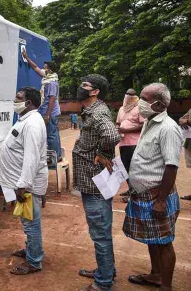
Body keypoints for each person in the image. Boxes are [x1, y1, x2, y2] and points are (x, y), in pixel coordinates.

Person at [123, 83, 183, 290]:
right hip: (144, 194)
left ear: (158, 104)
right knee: (153, 239)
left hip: (157, 196)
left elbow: (172, 166)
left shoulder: (168, 128)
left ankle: (166, 285)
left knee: (164, 241)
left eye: (144, 99)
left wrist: (161, 201)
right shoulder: (150, 122)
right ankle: (156, 274)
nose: (139, 103)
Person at [73, 74, 120, 291]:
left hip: (95, 184)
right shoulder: (92, 110)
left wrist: (103, 154)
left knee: (100, 232)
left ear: (95, 91)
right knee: (101, 230)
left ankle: (103, 283)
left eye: (85, 85)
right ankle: (106, 271)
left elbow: (111, 135)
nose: (80, 87)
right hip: (91, 181)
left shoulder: (99, 112)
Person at [0, 87, 48, 275]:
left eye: (18, 98)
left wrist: (23, 185)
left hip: (27, 184)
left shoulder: (32, 123)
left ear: (29, 103)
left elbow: (31, 158)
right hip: (22, 182)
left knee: (30, 222)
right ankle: (31, 250)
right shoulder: (27, 120)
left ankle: (34, 261)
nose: (14, 100)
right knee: (27, 220)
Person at [22, 49, 62, 160]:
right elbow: (35, 68)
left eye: (45, 67)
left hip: (50, 112)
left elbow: (52, 99)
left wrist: (47, 115)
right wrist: (26, 57)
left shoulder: (52, 82)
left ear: (49, 69)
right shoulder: (47, 77)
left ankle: (54, 157)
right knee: (54, 133)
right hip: (47, 111)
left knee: (51, 135)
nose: (43, 68)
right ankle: (57, 154)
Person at [115, 88, 145, 203]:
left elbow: (143, 125)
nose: (128, 97)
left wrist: (127, 130)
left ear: (135, 97)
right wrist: (118, 128)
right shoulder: (122, 109)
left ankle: (136, 194)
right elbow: (118, 123)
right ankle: (131, 190)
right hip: (123, 143)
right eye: (126, 94)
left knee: (134, 169)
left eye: (131, 95)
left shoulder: (139, 108)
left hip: (134, 143)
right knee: (125, 168)